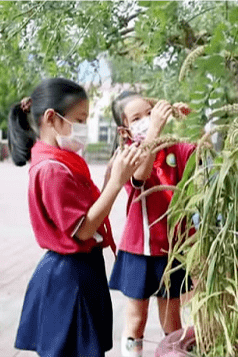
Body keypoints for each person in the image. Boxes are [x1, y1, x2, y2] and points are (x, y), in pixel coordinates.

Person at [10, 78, 146, 356]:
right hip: (69, 278)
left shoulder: (60, 161)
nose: (83, 128)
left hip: (77, 272)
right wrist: (116, 183)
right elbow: (83, 230)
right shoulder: (52, 170)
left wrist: (110, 178)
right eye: (79, 119)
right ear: (52, 118)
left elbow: (88, 215)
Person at [107, 92, 195, 357]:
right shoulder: (127, 154)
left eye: (149, 112)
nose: (146, 120)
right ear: (125, 129)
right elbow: (139, 175)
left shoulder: (174, 149)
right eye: (137, 118)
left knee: (172, 323)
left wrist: (182, 116)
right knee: (136, 320)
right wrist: (155, 127)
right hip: (139, 252)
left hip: (172, 252)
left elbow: (199, 154)